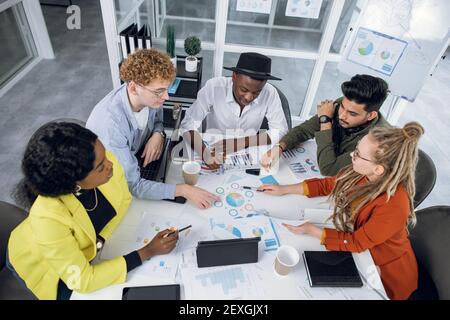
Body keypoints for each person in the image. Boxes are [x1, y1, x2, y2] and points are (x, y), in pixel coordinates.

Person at [7, 122, 179, 300]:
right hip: (45, 266)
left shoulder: (102, 161)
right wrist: (147, 252)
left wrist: (100, 241)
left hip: (84, 253)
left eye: (105, 157)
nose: (110, 164)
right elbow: (82, 280)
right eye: (100, 167)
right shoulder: (48, 219)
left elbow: (124, 200)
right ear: (74, 183)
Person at [258, 122, 423, 300]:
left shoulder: (395, 205)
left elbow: (358, 243)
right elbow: (330, 184)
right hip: (359, 248)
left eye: (358, 154)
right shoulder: (362, 172)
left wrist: (313, 231)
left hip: (385, 273)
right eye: (356, 149)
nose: (352, 155)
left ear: (378, 169)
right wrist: (285, 189)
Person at [86, 48, 218, 209]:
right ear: (134, 88)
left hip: (139, 159)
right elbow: (134, 185)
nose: (166, 97)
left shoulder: (150, 99)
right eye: (159, 91)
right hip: (115, 184)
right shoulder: (110, 125)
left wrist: (158, 134)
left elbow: (158, 122)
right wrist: (183, 190)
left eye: (167, 89)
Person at [261, 74, 390, 176]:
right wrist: (280, 147)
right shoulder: (342, 105)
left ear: (371, 115)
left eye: (352, 114)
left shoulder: (378, 140)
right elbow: (304, 130)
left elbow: (329, 169)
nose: (342, 115)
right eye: (342, 107)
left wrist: (325, 121)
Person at [180, 52, 289, 169]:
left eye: (256, 92)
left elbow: (281, 131)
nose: (248, 97)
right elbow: (187, 124)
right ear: (234, 76)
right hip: (213, 147)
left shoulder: (270, 93)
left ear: (264, 84)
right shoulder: (214, 87)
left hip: (248, 153)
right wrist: (204, 153)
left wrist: (241, 142)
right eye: (243, 89)